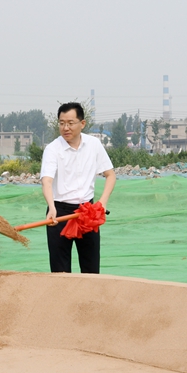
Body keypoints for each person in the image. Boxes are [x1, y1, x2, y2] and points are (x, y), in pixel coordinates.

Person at [40, 102, 116, 273]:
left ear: (82, 124)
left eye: (70, 123)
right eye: (61, 123)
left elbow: (110, 175)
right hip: (59, 213)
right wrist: (51, 207)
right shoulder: (53, 149)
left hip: (87, 212)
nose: (65, 128)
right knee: (60, 272)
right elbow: (47, 181)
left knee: (91, 269)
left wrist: (102, 202)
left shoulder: (94, 145)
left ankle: (89, 300)